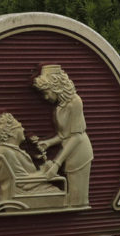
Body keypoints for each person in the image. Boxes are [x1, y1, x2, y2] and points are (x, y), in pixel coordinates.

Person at [32, 64, 93, 207]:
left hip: (80, 154)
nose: (46, 97)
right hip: (69, 152)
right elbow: (63, 135)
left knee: (78, 199)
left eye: (47, 92)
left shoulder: (75, 102)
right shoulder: (60, 107)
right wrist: (48, 143)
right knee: (72, 197)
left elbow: (77, 137)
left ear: (56, 87)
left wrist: (56, 164)